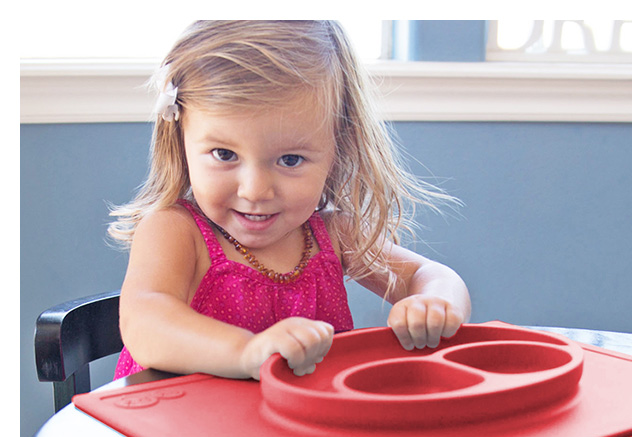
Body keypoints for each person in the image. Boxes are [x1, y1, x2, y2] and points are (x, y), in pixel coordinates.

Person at [108, 20, 471, 381]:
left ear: (337, 151)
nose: (255, 190)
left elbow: (428, 275)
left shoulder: (334, 234)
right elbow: (145, 323)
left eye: (290, 160)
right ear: (181, 142)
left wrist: (435, 303)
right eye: (224, 154)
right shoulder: (175, 230)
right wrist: (246, 353)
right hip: (175, 415)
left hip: (298, 417)